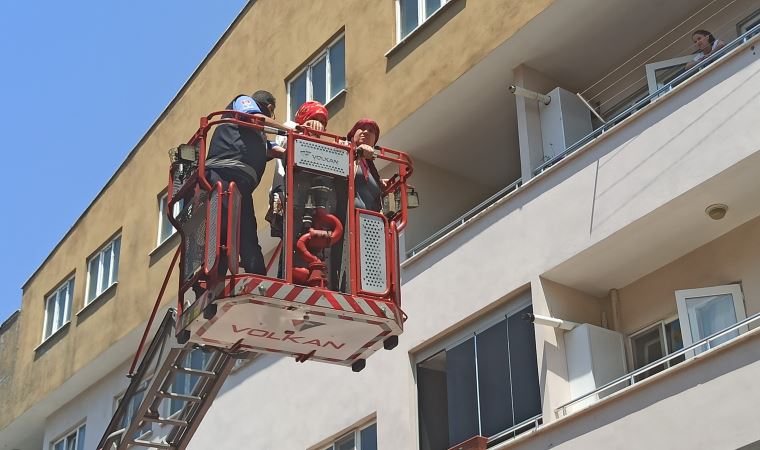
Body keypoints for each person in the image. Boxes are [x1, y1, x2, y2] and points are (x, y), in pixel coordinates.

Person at [205, 90, 290, 275]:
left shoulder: (258, 137)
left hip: (241, 186)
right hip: (223, 175)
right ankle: (214, 275)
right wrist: (289, 130)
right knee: (223, 231)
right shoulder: (243, 101)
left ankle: (257, 274)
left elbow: (274, 149)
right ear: (269, 107)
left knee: (247, 233)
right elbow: (257, 119)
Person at [347, 118, 385, 212]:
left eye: (371, 131)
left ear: (374, 141)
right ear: (353, 134)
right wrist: (356, 152)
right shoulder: (342, 148)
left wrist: (380, 184)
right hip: (346, 215)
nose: (366, 132)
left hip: (369, 219)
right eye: (361, 128)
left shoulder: (371, 168)